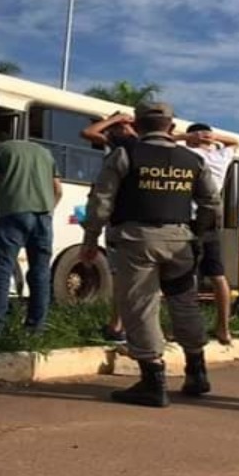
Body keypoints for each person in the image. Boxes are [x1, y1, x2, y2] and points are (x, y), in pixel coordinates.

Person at [80, 101, 221, 407]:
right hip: (180, 241)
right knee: (185, 303)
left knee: (141, 305)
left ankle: (152, 380)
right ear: (171, 128)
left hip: (136, 241)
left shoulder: (125, 154)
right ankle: (197, 371)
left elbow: (102, 200)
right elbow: (212, 203)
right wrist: (198, 234)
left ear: (139, 126)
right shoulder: (193, 160)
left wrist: (90, 238)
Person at [0, 133, 63, 335]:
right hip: (43, 217)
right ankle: (36, 328)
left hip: (11, 214)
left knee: (1, 270)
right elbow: (58, 190)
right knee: (41, 273)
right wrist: (47, 210)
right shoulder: (45, 153)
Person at [177, 122, 239, 344]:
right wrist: (211, 136)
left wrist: (188, 136)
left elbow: (164, 140)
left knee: (185, 274)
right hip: (212, 219)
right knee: (217, 275)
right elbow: (234, 142)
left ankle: (186, 328)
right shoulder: (222, 156)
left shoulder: (187, 152)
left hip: (189, 218)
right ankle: (224, 329)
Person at [81, 112, 139, 343]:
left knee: (122, 277)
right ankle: (126, 328)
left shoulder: (126, 146)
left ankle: (118, 327)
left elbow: (88, 133)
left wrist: (116, 119)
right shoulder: (152, 148)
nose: (111, 133)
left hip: (123, 222)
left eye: (116, 128)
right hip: (146, 223)